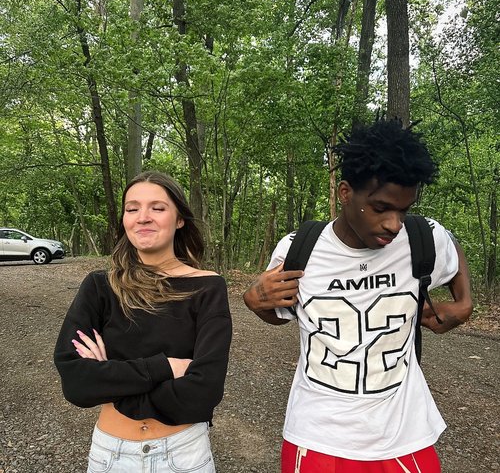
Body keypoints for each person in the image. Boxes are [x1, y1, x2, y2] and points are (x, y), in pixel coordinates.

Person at [243, 120, 473, 473]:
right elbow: (280, 314)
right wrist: (256, 302)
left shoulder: (421, 238)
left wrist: (464, 302)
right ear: (345, 192)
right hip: (317, 435)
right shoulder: (298, 251)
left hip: (405, 434)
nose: (394, 224)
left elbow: (450, 244)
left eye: (404, 210)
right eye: (381, 208)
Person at [54, 171, 232, 473]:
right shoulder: (100, 286)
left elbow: (203, 393)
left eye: (157, 208)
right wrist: (167, 367)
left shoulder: (208, 287)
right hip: (110, 457)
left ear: (179, 219)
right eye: (132, 208)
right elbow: (76, 383)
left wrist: (111, 382)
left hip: (184, 455)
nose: (143, 217)